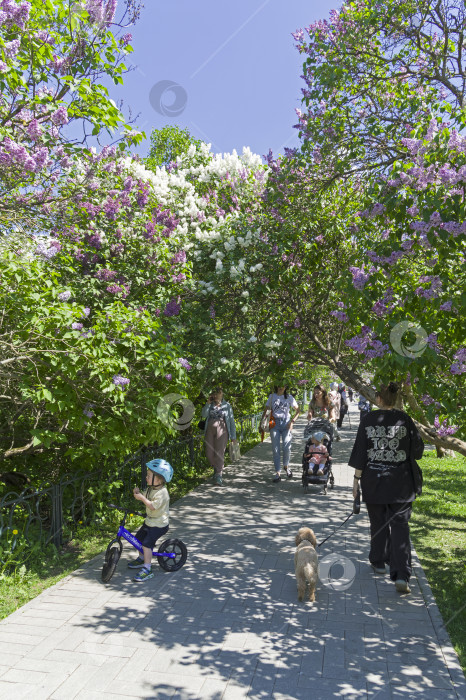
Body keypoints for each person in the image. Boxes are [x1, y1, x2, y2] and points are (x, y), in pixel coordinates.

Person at [348, 382, 424, 594]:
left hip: (374, 480)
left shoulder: (369, 419)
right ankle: (401, 575)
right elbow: (417, 451)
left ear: (378, 399)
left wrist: (355, 482)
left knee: (378, 522)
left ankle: (379, 562)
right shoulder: (405, 420)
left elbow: (360, 453)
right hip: (401, 483)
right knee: (400, 527)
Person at [128, 459, 172, 582]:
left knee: (147, 544)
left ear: (159, 479)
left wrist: (141, 498)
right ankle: (142, 559)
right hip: (150, 521)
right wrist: (138, 494)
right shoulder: (151, 488)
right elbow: (145, 497)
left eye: (148, 476)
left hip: (159, 524)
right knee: (138, 538)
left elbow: (152, 506)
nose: (146, 478)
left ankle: (147, 569)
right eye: (147, 475)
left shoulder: (162, 493)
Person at [261, 382, 300, 482]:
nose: (281, 387)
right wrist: (261, 424)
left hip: (286, 423)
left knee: (287, 447)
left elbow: (298, 410)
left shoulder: (289, 397)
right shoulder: (272, 396)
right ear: (276, 386)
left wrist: (292, 421)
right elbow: (266, 410)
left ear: (286, 386)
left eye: (283, 385)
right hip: (274, 424)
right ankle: (278, 473)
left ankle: (286, 466)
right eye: (279, 385)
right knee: (276, 449)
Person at [201, 387, 237, 486]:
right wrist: (208, 403)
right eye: (215, 393)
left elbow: (231, 421)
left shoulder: (227, 405)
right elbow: (203, 415)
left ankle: (218, 475)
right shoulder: (210, 404)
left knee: (219, 452)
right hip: (210, 430)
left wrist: (233, 437)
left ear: (222, 394)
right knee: (209, 453)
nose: (217, 395)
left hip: (223, 430)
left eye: (219, 393)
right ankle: (216, 468)